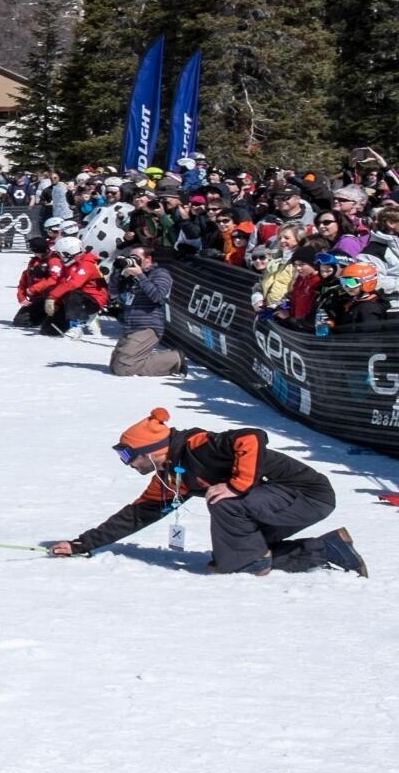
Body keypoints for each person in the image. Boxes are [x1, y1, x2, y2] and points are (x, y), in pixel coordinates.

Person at [49, 407, 367, 577]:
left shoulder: (196, 445)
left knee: (224, 503)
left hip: (308, 494)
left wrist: (235, 485)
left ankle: (251, 562)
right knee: (233, 556)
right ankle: (328, 550)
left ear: (151, 450)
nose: (127, 464)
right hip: (276, 503)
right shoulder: (173, 474)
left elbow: (252, 437)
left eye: (128, 456)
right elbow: (139, 514)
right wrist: (82, 544)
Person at [107, 245, 185, 375]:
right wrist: (117, 273)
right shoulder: (130, 276)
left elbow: (158, 296)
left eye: (136, 257)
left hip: (148, 326)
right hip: (131, 326)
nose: (132, 260)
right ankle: (156, 359)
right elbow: (113, 292)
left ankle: (174, 359)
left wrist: (140, 275)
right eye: (130, 257)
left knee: (123, 368)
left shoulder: (160, 273)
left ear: (148, 259)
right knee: (115, 366)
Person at [43, 236, 108, 334]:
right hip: (74, 301)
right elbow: (62, 283)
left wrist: (53, 297)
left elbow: (74, 284)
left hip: (93, 300)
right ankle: (67, 321)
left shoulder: (87, 264)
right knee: (48, 330)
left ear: (67, 253)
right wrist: (55, 301)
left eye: (59, 254)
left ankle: (77, 325)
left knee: (72, 293)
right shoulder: (69, 265)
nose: (58, 257)